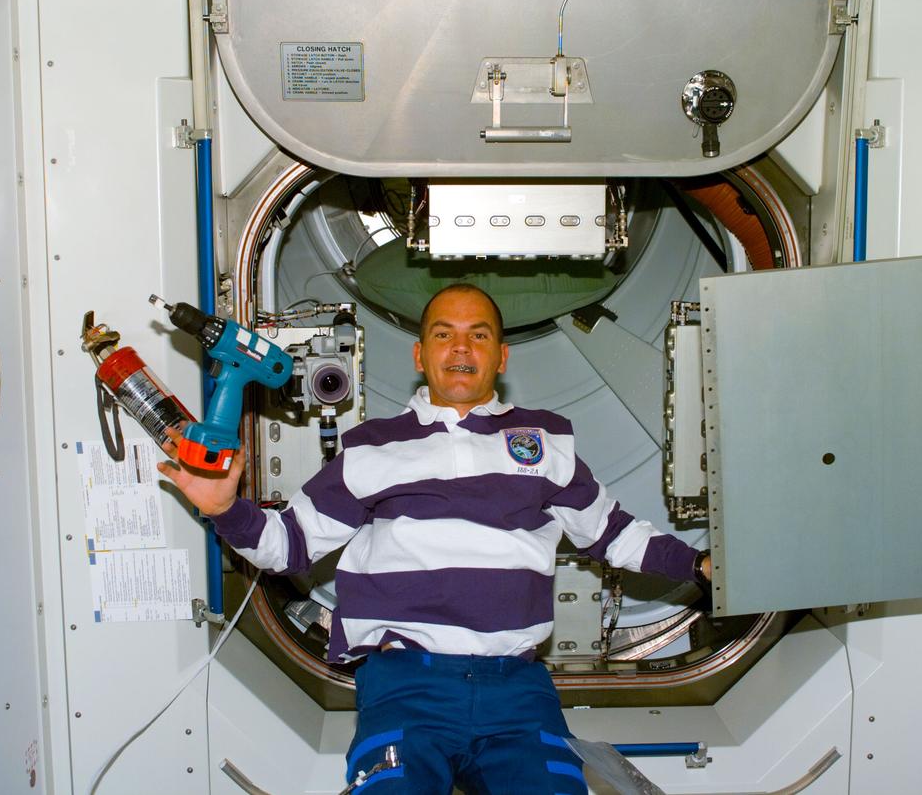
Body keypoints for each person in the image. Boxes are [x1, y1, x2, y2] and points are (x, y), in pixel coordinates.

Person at [159, 283, 712, 794]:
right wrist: (225, 508)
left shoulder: (545, 440)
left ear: (502, 356)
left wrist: (702, 566)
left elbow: (615, 534)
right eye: (444, 334)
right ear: (420, 355)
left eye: (479, 335)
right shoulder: (371, 447)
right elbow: (286, 546)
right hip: (406, 687)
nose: (461, 348)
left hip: (518, 692)